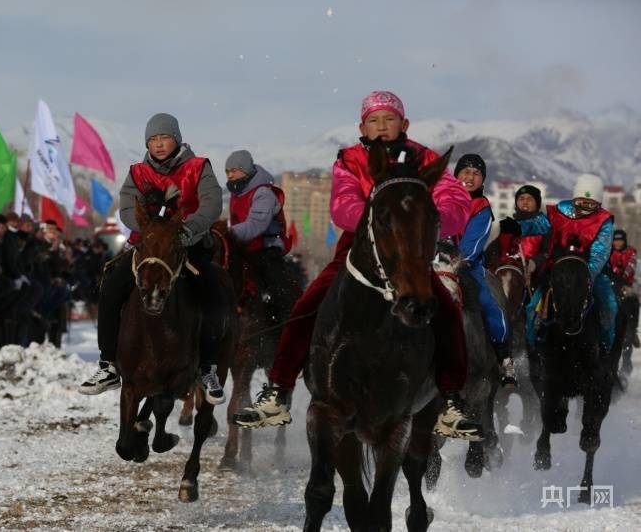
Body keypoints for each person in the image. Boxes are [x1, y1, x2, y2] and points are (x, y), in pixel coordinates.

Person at [234, 91, 483, 441]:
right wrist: (376, 222)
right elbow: (342, 204)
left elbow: (455, 201)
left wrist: (424, 224)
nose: (381, 127)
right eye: (373, 121)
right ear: (362, 127)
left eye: (389, 119)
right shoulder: (350, 159)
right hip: (358, 249)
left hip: (409, 253)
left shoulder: (425, 159)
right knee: (308, 304)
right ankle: (278, 389)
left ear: (404, 124)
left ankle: (453, 400)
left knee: (445, 309)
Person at [79, 112, 226, 405]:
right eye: (153, 139)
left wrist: (186, 229)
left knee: (214, 292)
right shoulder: (137, 172)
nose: (159, 144)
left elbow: (212, 203)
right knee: (110, 288)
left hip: (188, 242)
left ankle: (207, 369)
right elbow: (126, 209)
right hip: (148, 247)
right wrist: (149, 229)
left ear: (177, 139)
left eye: (164, 138)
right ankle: (108, 365)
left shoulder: (199, 167)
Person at [517, 173, 617, 352]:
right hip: (557, 269)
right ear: (574, 199)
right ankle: (532, 348)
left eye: (590, 204)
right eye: (580, 202)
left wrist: (583, 277)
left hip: (590, 272)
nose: (584, 208)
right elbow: (540, 224)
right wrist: (519, 227)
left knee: (609, 305)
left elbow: (600, 254)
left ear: (598, 205)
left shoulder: (604, 221)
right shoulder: (559, 211)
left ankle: (605, 348)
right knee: (534, 306)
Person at [453, 154, 515, 388]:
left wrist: (456, 259)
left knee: (489, 304)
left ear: (483, 180)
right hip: (432, 262)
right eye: (465, 172)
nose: (470, 177)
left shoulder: (481, 208)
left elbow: (473, 243)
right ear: (456, 175)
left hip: (466, 267)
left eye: (476, 173)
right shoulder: (441, 198)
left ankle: (504, 356)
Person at [225, 149, 296, 322]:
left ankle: (283, 321)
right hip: (243, 248)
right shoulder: (236, 193)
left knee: (275, 287)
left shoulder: (263, 193)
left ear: (246, 170)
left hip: (266, 248)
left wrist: (227, 233)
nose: (230, 175)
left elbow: (256, 224)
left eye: (234, 170)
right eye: (227, 172)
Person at [608, 229, 639, 347]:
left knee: (633, 301)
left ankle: (633, 330)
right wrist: (612, 274)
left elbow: (631, 266)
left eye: (620, 240)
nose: (617, 243)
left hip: (625, 284)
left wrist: (623, 276)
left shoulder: (631, 251)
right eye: (615, 240)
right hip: (610, 283)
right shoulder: (609, 251)